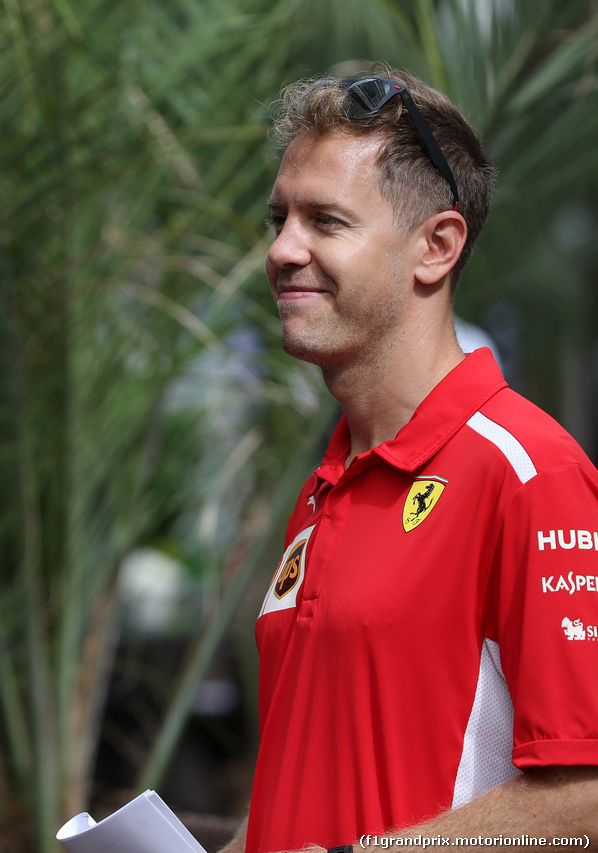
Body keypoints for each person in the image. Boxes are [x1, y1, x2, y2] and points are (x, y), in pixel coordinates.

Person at [229, 68, 598, 853]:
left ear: (436, 246)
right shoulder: (325, 488)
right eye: (279, 218)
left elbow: (588, 804)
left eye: (325, 221)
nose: (283, 250)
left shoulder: (530, 471)